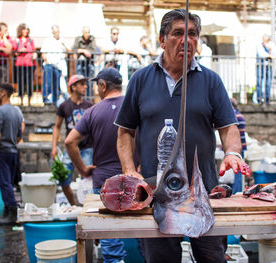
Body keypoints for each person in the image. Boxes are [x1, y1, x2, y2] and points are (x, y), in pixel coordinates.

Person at [115, 9, 250, 263]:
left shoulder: (211, 81)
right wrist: (129, 169)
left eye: (192, 34)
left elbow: (228, 127)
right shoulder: (140, 80)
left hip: (205, 194)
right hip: (156, 195)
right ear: (162, 40)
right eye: (178, 33)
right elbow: (125, 131)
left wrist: (232, 152)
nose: (187, 40)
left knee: (212, 258)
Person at [65, 67, 126, 263]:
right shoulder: (134, 106)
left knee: (110, 237)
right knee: (143, 233)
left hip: (104, 180)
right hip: (135, 178)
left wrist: (82, 169)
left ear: (103, 85)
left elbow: (69, 142)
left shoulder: (92, 112)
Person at [52, 74, 93, 205]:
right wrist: (54, 147)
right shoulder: (64, 105)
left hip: (88, 148)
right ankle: (74, 206)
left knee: (90, 181)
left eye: (85, 84)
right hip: (71, 148)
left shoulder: (90, 105)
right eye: (81, 84)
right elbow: (57, 127)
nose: (85, 86)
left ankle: (87, 208)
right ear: (73, 86)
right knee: (63, 178)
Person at [0, 83, 23, 225]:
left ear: (3, 93)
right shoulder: (17, 111)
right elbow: (19, 134)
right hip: (14, 151)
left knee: (5, 183)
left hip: (2, 151)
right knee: (10, 183)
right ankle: (9, 212)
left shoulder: (0, 111)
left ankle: (12, 212)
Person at [41, 25, 70, 105]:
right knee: (48, 82)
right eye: (55, 32)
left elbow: (69, 50)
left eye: (57, 32)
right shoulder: (48, 40)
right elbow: (43, 52)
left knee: (57, 85)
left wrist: (64, 45)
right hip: (49, 64)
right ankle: (46, 99)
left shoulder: (63, 40)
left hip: (59, 66)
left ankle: (55, 100)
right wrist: (46, 61)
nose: (56, 34)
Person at [14, 23, 37, 106]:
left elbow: (34, 50)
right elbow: (15, 52)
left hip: (29, 65)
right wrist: (21, 51)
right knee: (21, 82)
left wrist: (34, 55)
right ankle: (21, 101)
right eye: (24, 29)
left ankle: (29, 101)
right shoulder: (17, 40)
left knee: (29, 82)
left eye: (27, 29)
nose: (25, 31)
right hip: (20, 65)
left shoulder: (30, 40)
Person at [72, 26, 96, 99]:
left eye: (88, 32)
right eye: (86, 32)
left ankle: (88, 99)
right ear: (83, 33)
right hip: (80, 63)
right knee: (80, 81)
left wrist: (87, 52)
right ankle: (80, 98)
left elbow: (93, 50)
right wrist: (83, 51)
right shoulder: (78, 39)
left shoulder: (92, 39)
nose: (87, 34)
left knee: (90, 81)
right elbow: (74, 49)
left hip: (90, 63)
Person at [230, 98, 247, 194]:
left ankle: (236, 191)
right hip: (241, 147)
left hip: (236, 149)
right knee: (239, 172)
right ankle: (238, 190)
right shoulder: (239, 114)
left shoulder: (232, 115)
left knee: (237, 172)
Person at [256, 34, 275, 104]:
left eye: (267, 41)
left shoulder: (271, 45)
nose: (265, 42)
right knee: (259, 82)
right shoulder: (259, 45)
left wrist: (270, 50)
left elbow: (274, 54)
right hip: (260, 66)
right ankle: (259, 99)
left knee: (268, 83)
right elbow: (261, 54)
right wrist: (269, 55)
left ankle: (267, 99)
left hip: (268, 66)